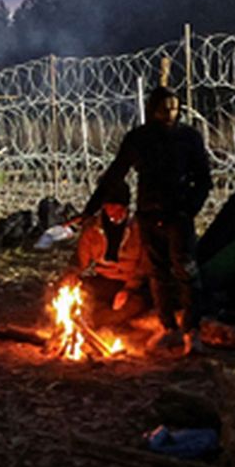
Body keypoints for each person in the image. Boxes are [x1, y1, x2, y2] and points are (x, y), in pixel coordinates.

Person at [83, 86, 212, 351]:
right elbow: (116, 173)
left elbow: (203, 179)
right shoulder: (140, 138)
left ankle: (192, 330)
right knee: (158, 272)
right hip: (149, 213)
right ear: (153, 108)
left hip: (178, 213)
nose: (170, 113)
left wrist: (190, 208)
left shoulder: (188, 138)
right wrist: (90, 208)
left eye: (174, 108)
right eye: (164, 107)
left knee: (186, 270)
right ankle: (169, 328)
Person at [66, 179, 151, 326]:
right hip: (105, 279)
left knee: (133, 306)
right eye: (111, 207)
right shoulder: (93, 229)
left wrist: (128, 289)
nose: (116, 213)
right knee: (80, 296)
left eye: (120, 208)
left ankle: (102, 323)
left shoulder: (139, 229)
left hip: (130, 284)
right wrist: (71, 275)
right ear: (104, 207)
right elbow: (80, 260)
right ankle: (93, 320)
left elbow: (144, 266)